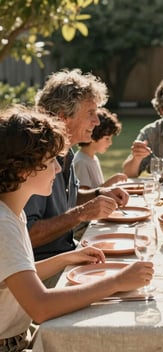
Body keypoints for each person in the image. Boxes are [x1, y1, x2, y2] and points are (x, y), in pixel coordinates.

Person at [0, 106, 153, 352]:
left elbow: (17, 276)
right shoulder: (4, 224)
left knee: (100, 343)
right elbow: (41, 307)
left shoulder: (14, 211)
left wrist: (67, 259)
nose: (59, 169)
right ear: (24, 171)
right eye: (50, 162)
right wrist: (116, 281)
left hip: (19, 337)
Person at [24, 69, 130, 263]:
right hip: (40, 271)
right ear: (64, 117)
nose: (97, 121)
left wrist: (100, 193)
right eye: (91, 113)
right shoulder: (35, 162)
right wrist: (82, 214)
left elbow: (67, 199)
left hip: (69, 253)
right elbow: (28, 234)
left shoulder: (67, 152)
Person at [73, 107, 128, 189]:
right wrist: (112, 181)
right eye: (107, 138)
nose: (110, 143)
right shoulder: (81, 162)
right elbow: (84, 195)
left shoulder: (93, 158)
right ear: (93, 136)